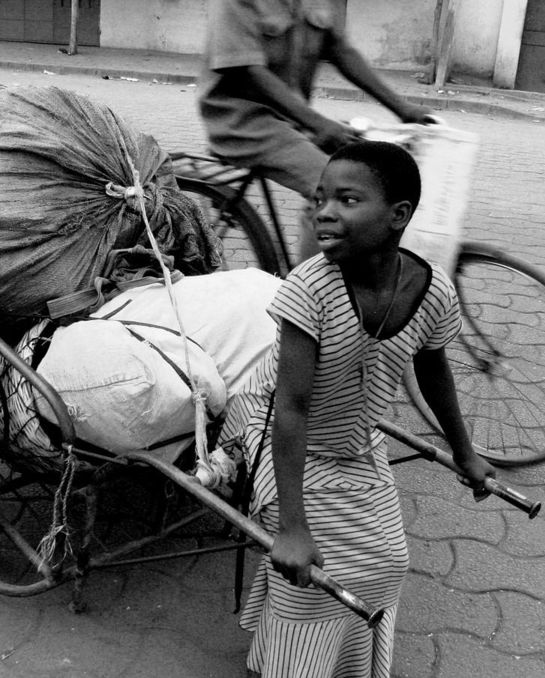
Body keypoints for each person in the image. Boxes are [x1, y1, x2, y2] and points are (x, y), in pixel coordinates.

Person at [220, 140, 495, 678]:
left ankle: (341, 663)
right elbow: (290, 409)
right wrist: (293, 528)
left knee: (388, 560)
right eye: (321, 198)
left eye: (346, 200)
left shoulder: (432, 287)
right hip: (273, 433)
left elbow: (433, 370)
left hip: (355, 439)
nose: (323, 212)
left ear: (399, 216)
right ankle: (283, 664)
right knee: (309, 569)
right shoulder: (310, 288)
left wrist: (466, 453)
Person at [198, 0, 435, 262]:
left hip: (292, 115)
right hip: (241, 121)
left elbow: (341, 51)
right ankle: (306, 295)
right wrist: (319, 124)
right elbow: (247, 71)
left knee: (366, 169)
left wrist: (403, 108)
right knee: (332, 189)